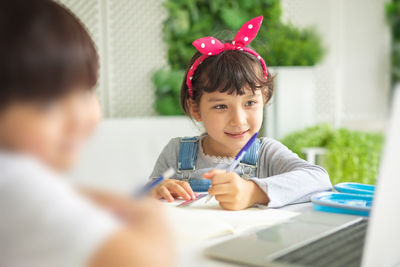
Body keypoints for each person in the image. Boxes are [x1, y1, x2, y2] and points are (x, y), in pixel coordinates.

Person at [0, 0, 174, 266]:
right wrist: (150, 216)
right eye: (46, 103)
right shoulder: (17, 182)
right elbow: (143, 260)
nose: (80, 118)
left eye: (84, 91)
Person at [149, 16, 332, 210]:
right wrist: (156, 190)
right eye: (221, 106)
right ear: (196, 109)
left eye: (250, 102)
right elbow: (143, 197)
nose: (238, 120)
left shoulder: (267, 154)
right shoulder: (176, 152)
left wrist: (253, 192)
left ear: (264, 97)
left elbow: (319, 180)